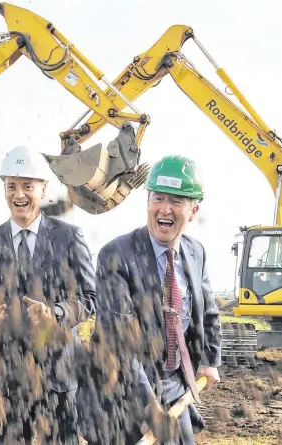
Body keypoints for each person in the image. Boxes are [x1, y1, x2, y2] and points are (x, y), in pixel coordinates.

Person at [85, 155, 222, 444]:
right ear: (147, 201)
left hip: (172, 386)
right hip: (120, 391)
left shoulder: (196, 252)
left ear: (194, 209)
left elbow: (208, 312)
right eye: (158, 198)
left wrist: (209, 361)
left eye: (177, 201)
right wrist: (150, 410)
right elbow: (119, 341)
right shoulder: (116, 255)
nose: (165, 209)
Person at [0, 145, 96, 445]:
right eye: (11, 186)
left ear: (43, 188)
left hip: (59, 375)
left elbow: (91, 298)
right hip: (8, 380)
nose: (19, 194)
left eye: (27, 186)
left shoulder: (69, 237)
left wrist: (57, 313)